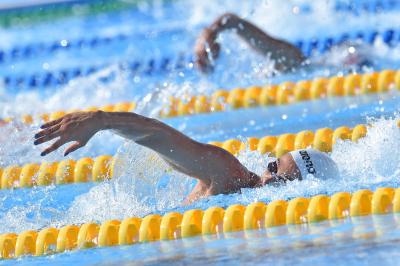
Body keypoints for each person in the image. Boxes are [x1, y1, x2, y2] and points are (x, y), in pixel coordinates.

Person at [34, 111, 339, 203]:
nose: (272, 179)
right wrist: (102, 120)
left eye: (286, 182)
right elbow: (159, 136)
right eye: (274, 168)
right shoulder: (229, 174)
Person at [194, 13, 370, 73]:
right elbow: (230, 20)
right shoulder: (293, 60)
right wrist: (207, 35)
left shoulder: (292, 63)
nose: (351, 60)